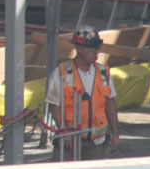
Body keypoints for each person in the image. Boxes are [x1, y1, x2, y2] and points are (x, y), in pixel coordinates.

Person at [45, 25, 120, 160]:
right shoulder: (62, 72)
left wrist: (115, 134)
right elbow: (53, 106)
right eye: (92, 47)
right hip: (69, 142)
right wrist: (65, 130)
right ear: (79, 48)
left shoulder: (103, 73)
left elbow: (110, 104)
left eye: (97, 47)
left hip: (96, 143)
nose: (97, 51)